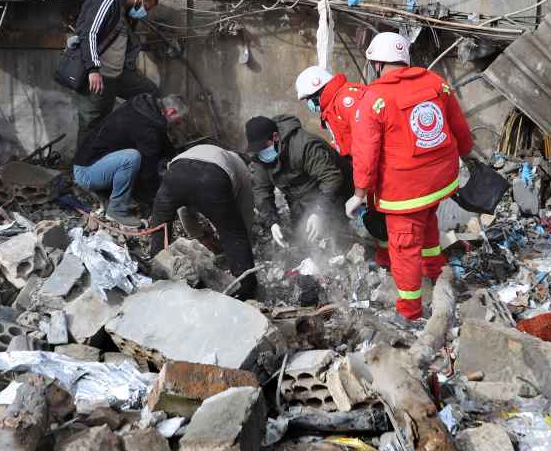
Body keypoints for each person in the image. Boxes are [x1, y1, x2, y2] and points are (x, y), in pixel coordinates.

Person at [344, 32, 474, 321]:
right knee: (427, 220)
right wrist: (466, 152)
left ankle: (410, 310)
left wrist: (359, 193)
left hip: (404, 190)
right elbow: (460, 128)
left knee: (403, 246)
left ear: (376, 64)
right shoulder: (436, 83)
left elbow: (366, 153)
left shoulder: (373, 99)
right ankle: (436, 271)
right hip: (440, 180)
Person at [295, 65, 390, 267]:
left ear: (317, 91)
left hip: (376, 168)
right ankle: (385, 256)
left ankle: (396, 259)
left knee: (383, 219)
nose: (309, 106)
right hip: (364, 167)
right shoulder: (334, 104)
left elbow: (367, 141)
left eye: (308, 100)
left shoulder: (347, 101)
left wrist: (360, 189)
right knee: (377, 217)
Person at [149, 144, 257, 299]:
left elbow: (184, 207)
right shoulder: (241, 167)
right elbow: (244, 213)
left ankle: (158, 283)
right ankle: (246, 291)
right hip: (211, 178)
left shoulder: (207, 152)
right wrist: (241, 244)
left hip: (174, 176)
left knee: (160, 229)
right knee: (234, 236)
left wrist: (199, 235)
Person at [73, 93, 186, 228]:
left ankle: (114, 193)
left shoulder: (143, 107)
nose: (180, 123)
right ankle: (117, 209)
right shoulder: (148, 128)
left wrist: (176, 159)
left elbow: (161, 138)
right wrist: (161, 197)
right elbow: (147, 171)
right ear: (171, 111)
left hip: (91, 161)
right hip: (87, 173)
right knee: (132, 158)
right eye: (179, 119)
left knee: (140, 158)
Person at [74, 0, 160, 148]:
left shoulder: (125, 13)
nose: (145, 13)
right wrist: (92, 69)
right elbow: (89, 34)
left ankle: (133, 140)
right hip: (97, 74)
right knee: (91, 123)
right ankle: (80, 169)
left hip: (117, 74)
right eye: (146, 8)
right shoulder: (108, 1)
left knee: (148, 93)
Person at [246, 115, 348, 248]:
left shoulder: (304, 144)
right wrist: (272, 222)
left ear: (276, 137)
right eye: (257, 150)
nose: (261, 153)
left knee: (338, 238)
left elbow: (331, 178)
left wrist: (319, 211)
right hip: (299, 201)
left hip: (331, 194)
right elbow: (261, 190)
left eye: (264, 147)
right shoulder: (260, 158)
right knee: (305, 244)